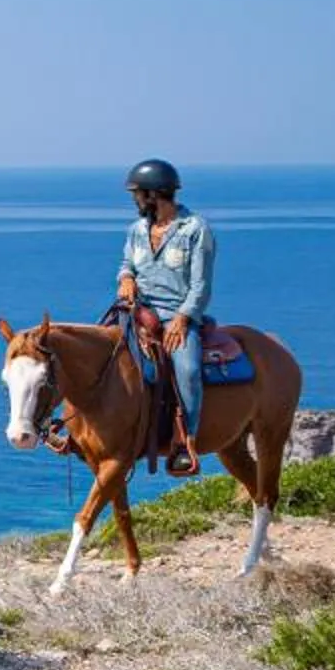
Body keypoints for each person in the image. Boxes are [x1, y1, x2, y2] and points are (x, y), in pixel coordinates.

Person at [116, 158, 214, 475]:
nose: (134, 200)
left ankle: (185, 441)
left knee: (187, 369)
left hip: (177, 315)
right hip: (137, 312)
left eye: (137, 194)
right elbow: (127, 264)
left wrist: (183, 319)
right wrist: (126, 279)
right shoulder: (136, 230)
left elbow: (201, 285)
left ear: (154, 195)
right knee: (97, 353)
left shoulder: (195, 229)